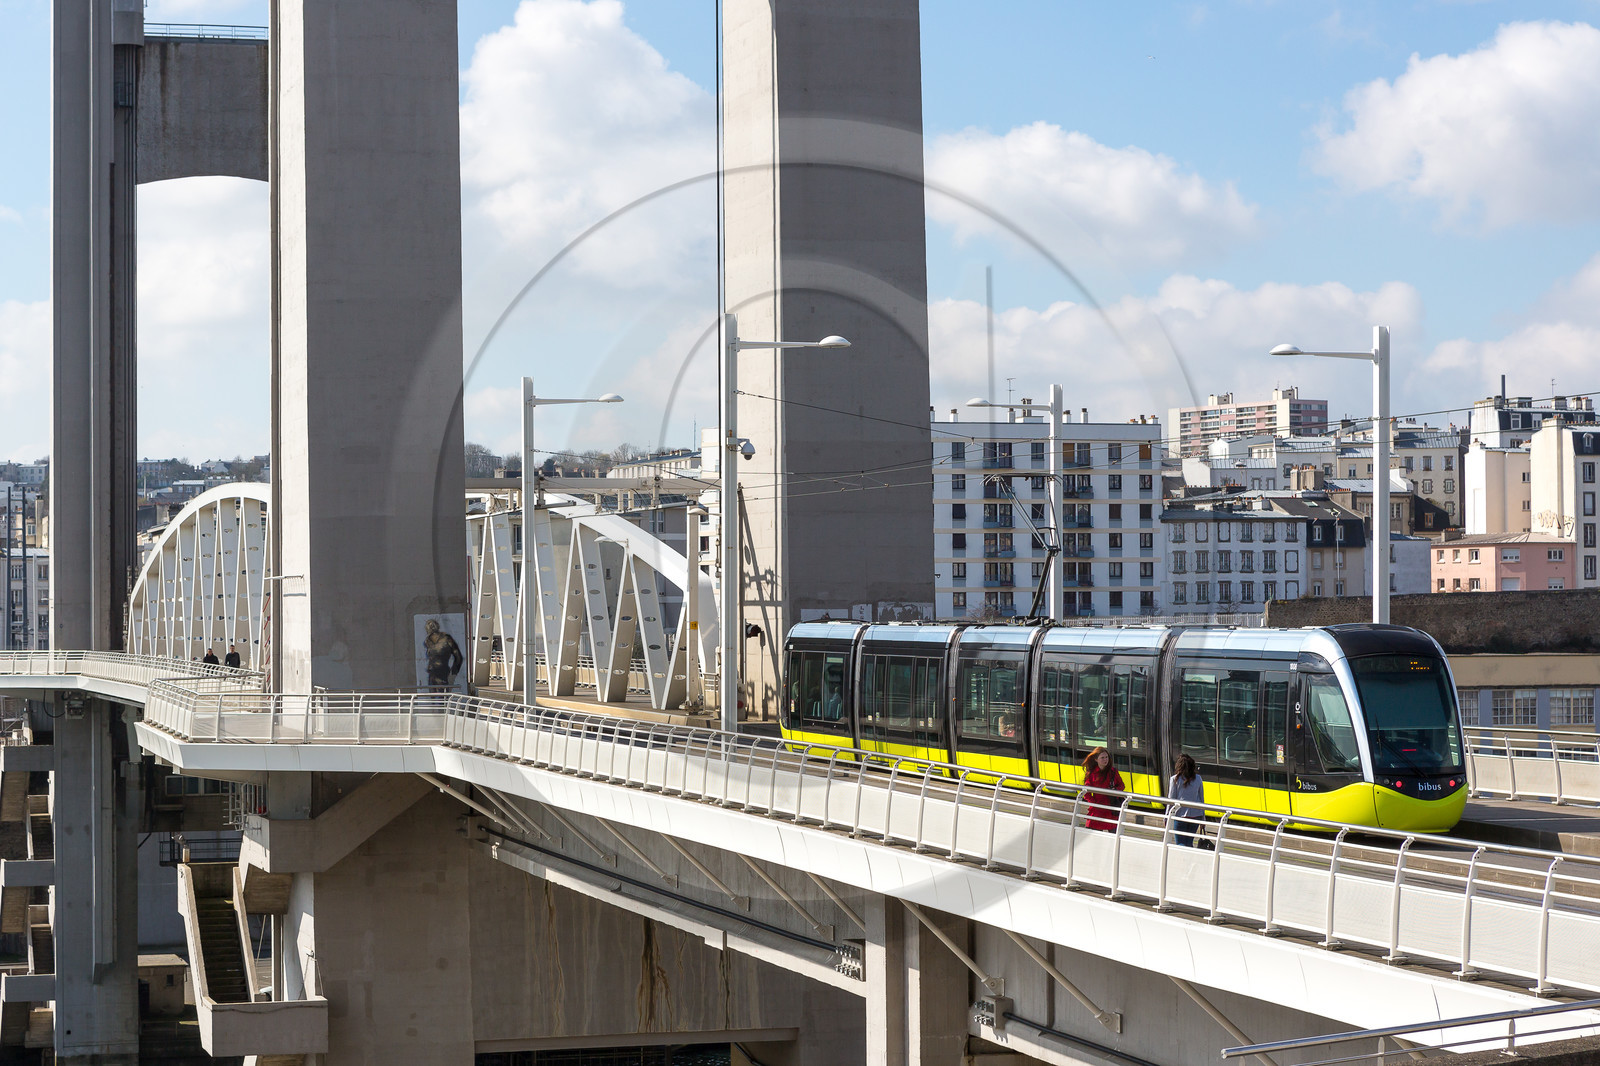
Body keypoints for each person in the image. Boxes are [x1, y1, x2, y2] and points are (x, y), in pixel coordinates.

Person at [1082, 746, 1124, 832]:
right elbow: (1086, 792)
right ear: (1096, 759)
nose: (1105, 760)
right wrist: (1094, 803)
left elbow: (1121, 785)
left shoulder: (1113, 771)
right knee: (1093, 836)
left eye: (1106, 757)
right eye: (1102, 758)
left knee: (1113, 837)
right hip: (1097, 809)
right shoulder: (1091, 774)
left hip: (1111, 807)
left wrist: (1115, 791)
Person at [1168, 753, 1206, 848]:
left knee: (1180, 843)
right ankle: (1189, 861)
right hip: (1196, 815)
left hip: (1180, 815)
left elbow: (1171, 800)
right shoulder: (1198, 779)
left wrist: (1166, 817)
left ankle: (1182, 861)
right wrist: (1203, 819)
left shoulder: (1174, 779)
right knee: (1189, 843)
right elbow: (1201, 799)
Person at [423, 620, 463, 689]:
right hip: (432, 675)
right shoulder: (428, 640)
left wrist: (453, 675)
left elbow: (458, 657)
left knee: (443, 697)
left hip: (443, 674)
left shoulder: (446, 638)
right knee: (433, 698)